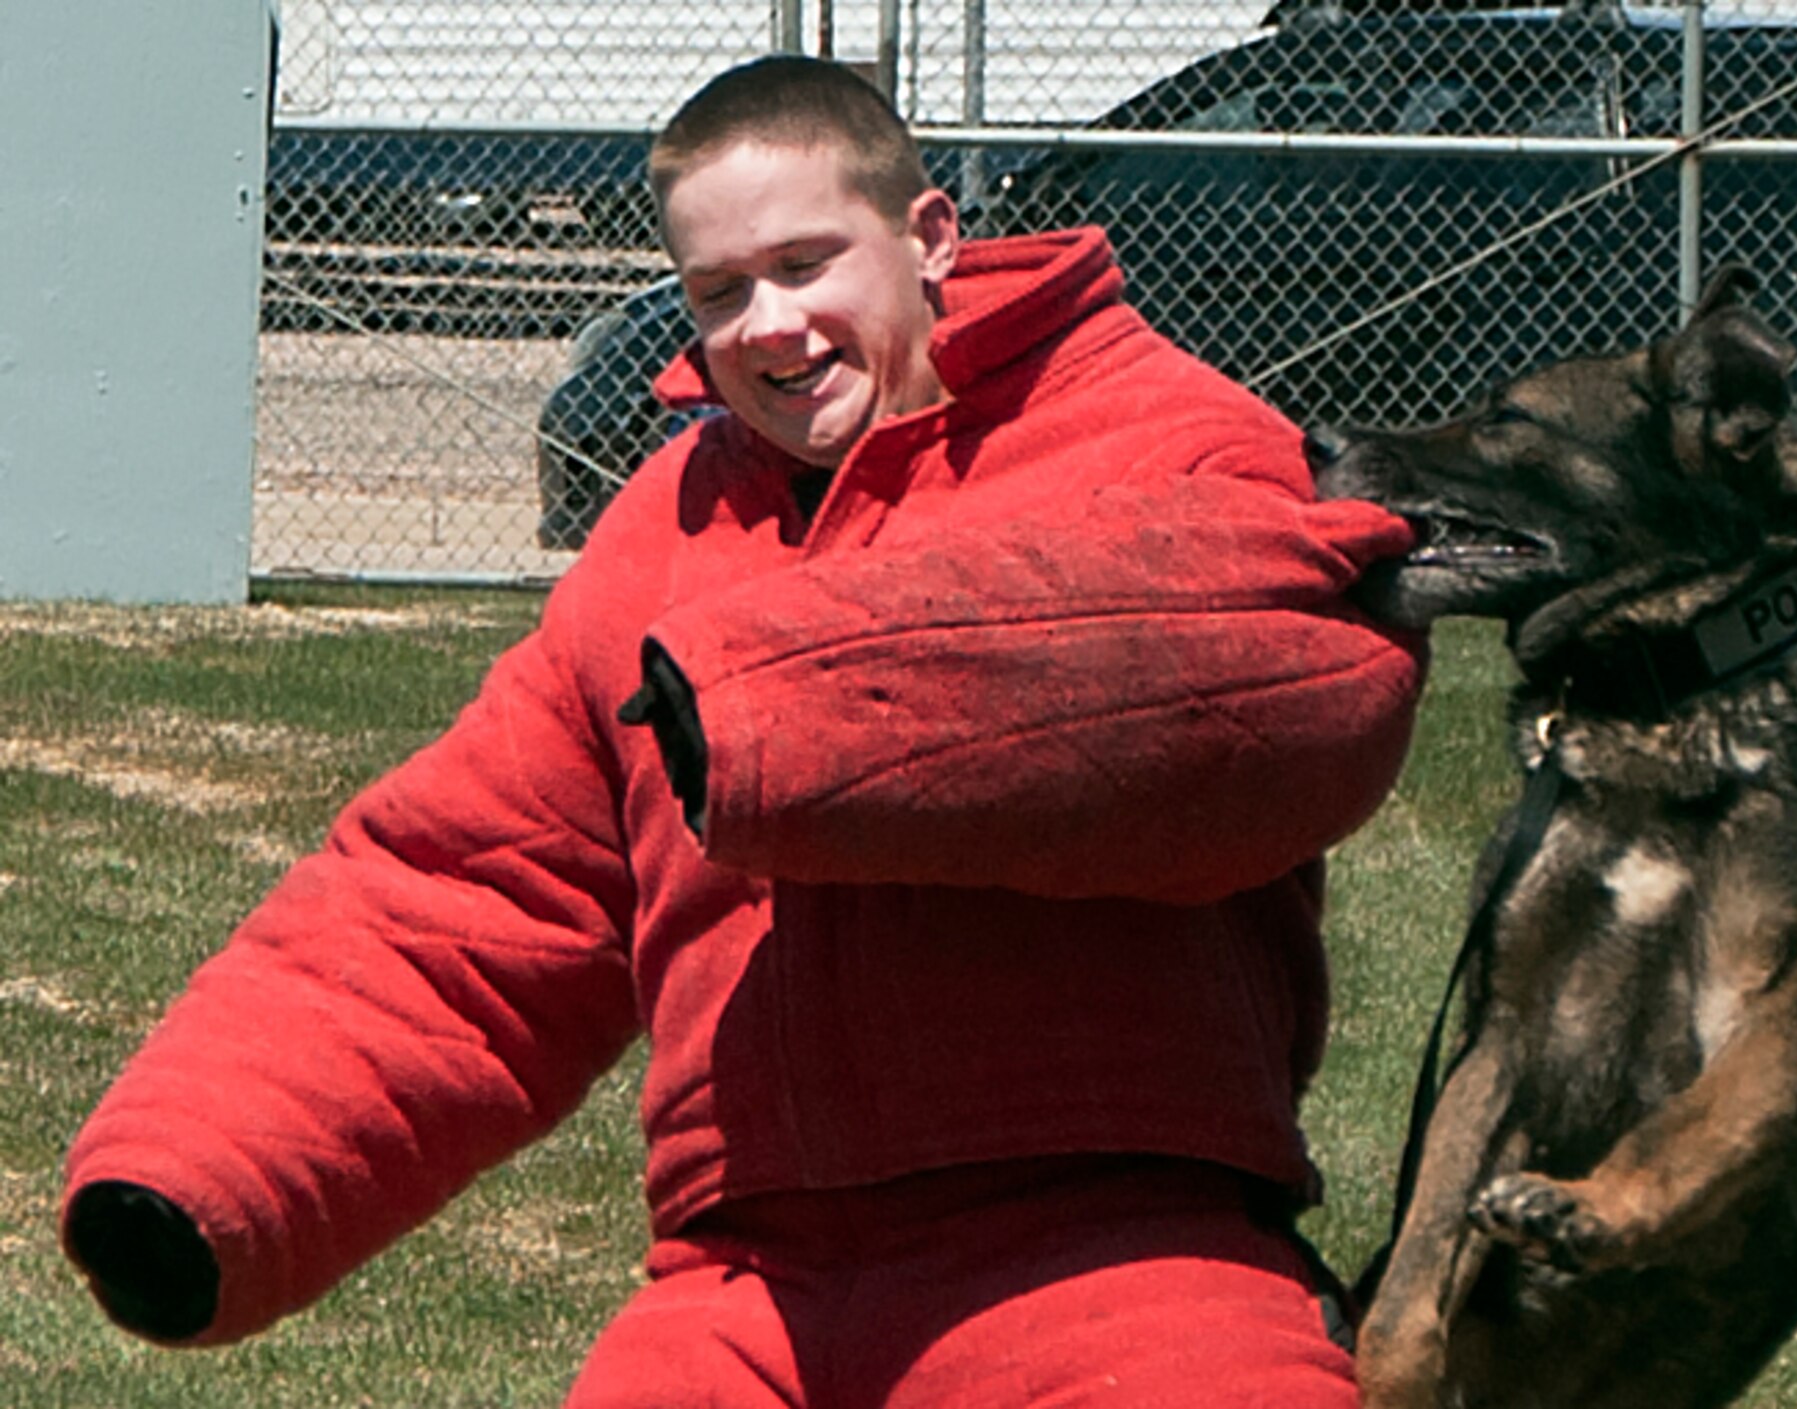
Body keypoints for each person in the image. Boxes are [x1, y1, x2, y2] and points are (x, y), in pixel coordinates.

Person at [61, 55, 1426, 1407]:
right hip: (744, 1280)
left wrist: (793, 704)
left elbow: (1279, 675)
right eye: (720, 294)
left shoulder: (1160, 433)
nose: (771, 326)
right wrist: (199, 1173)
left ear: (930, 236)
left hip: (1111, 1249)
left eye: (807, 264)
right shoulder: (667, 526)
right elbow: (471, 889)